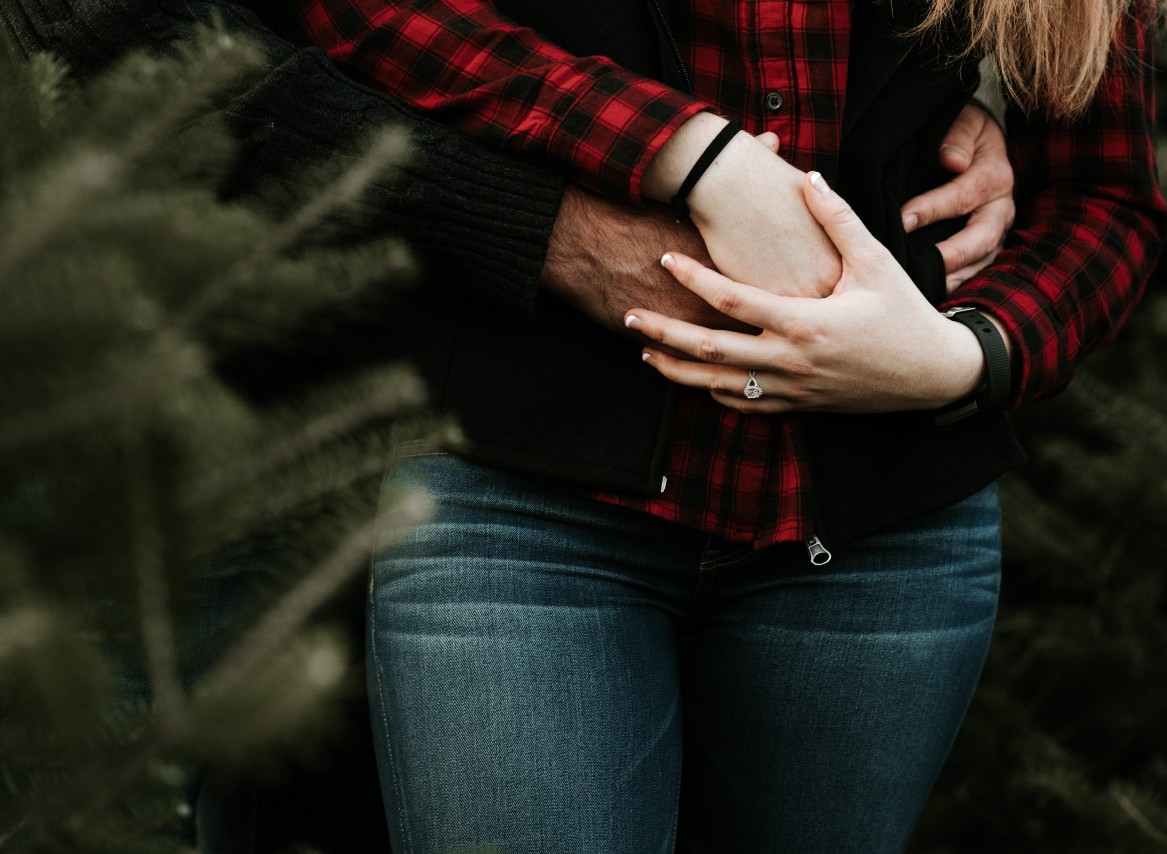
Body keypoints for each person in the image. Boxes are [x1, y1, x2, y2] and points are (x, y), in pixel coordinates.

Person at [0, 1, 1019, 850]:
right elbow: (110, 25)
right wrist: (599, 214)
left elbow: (1093, 159)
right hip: (205, 402)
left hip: (494, 415)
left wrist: (939, 97)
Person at [279, 0, 1167, 851]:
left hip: (884, 541)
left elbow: (1102, 196)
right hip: (524, 503)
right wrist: (687, 154)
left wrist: (966, 358)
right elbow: (374, 15)